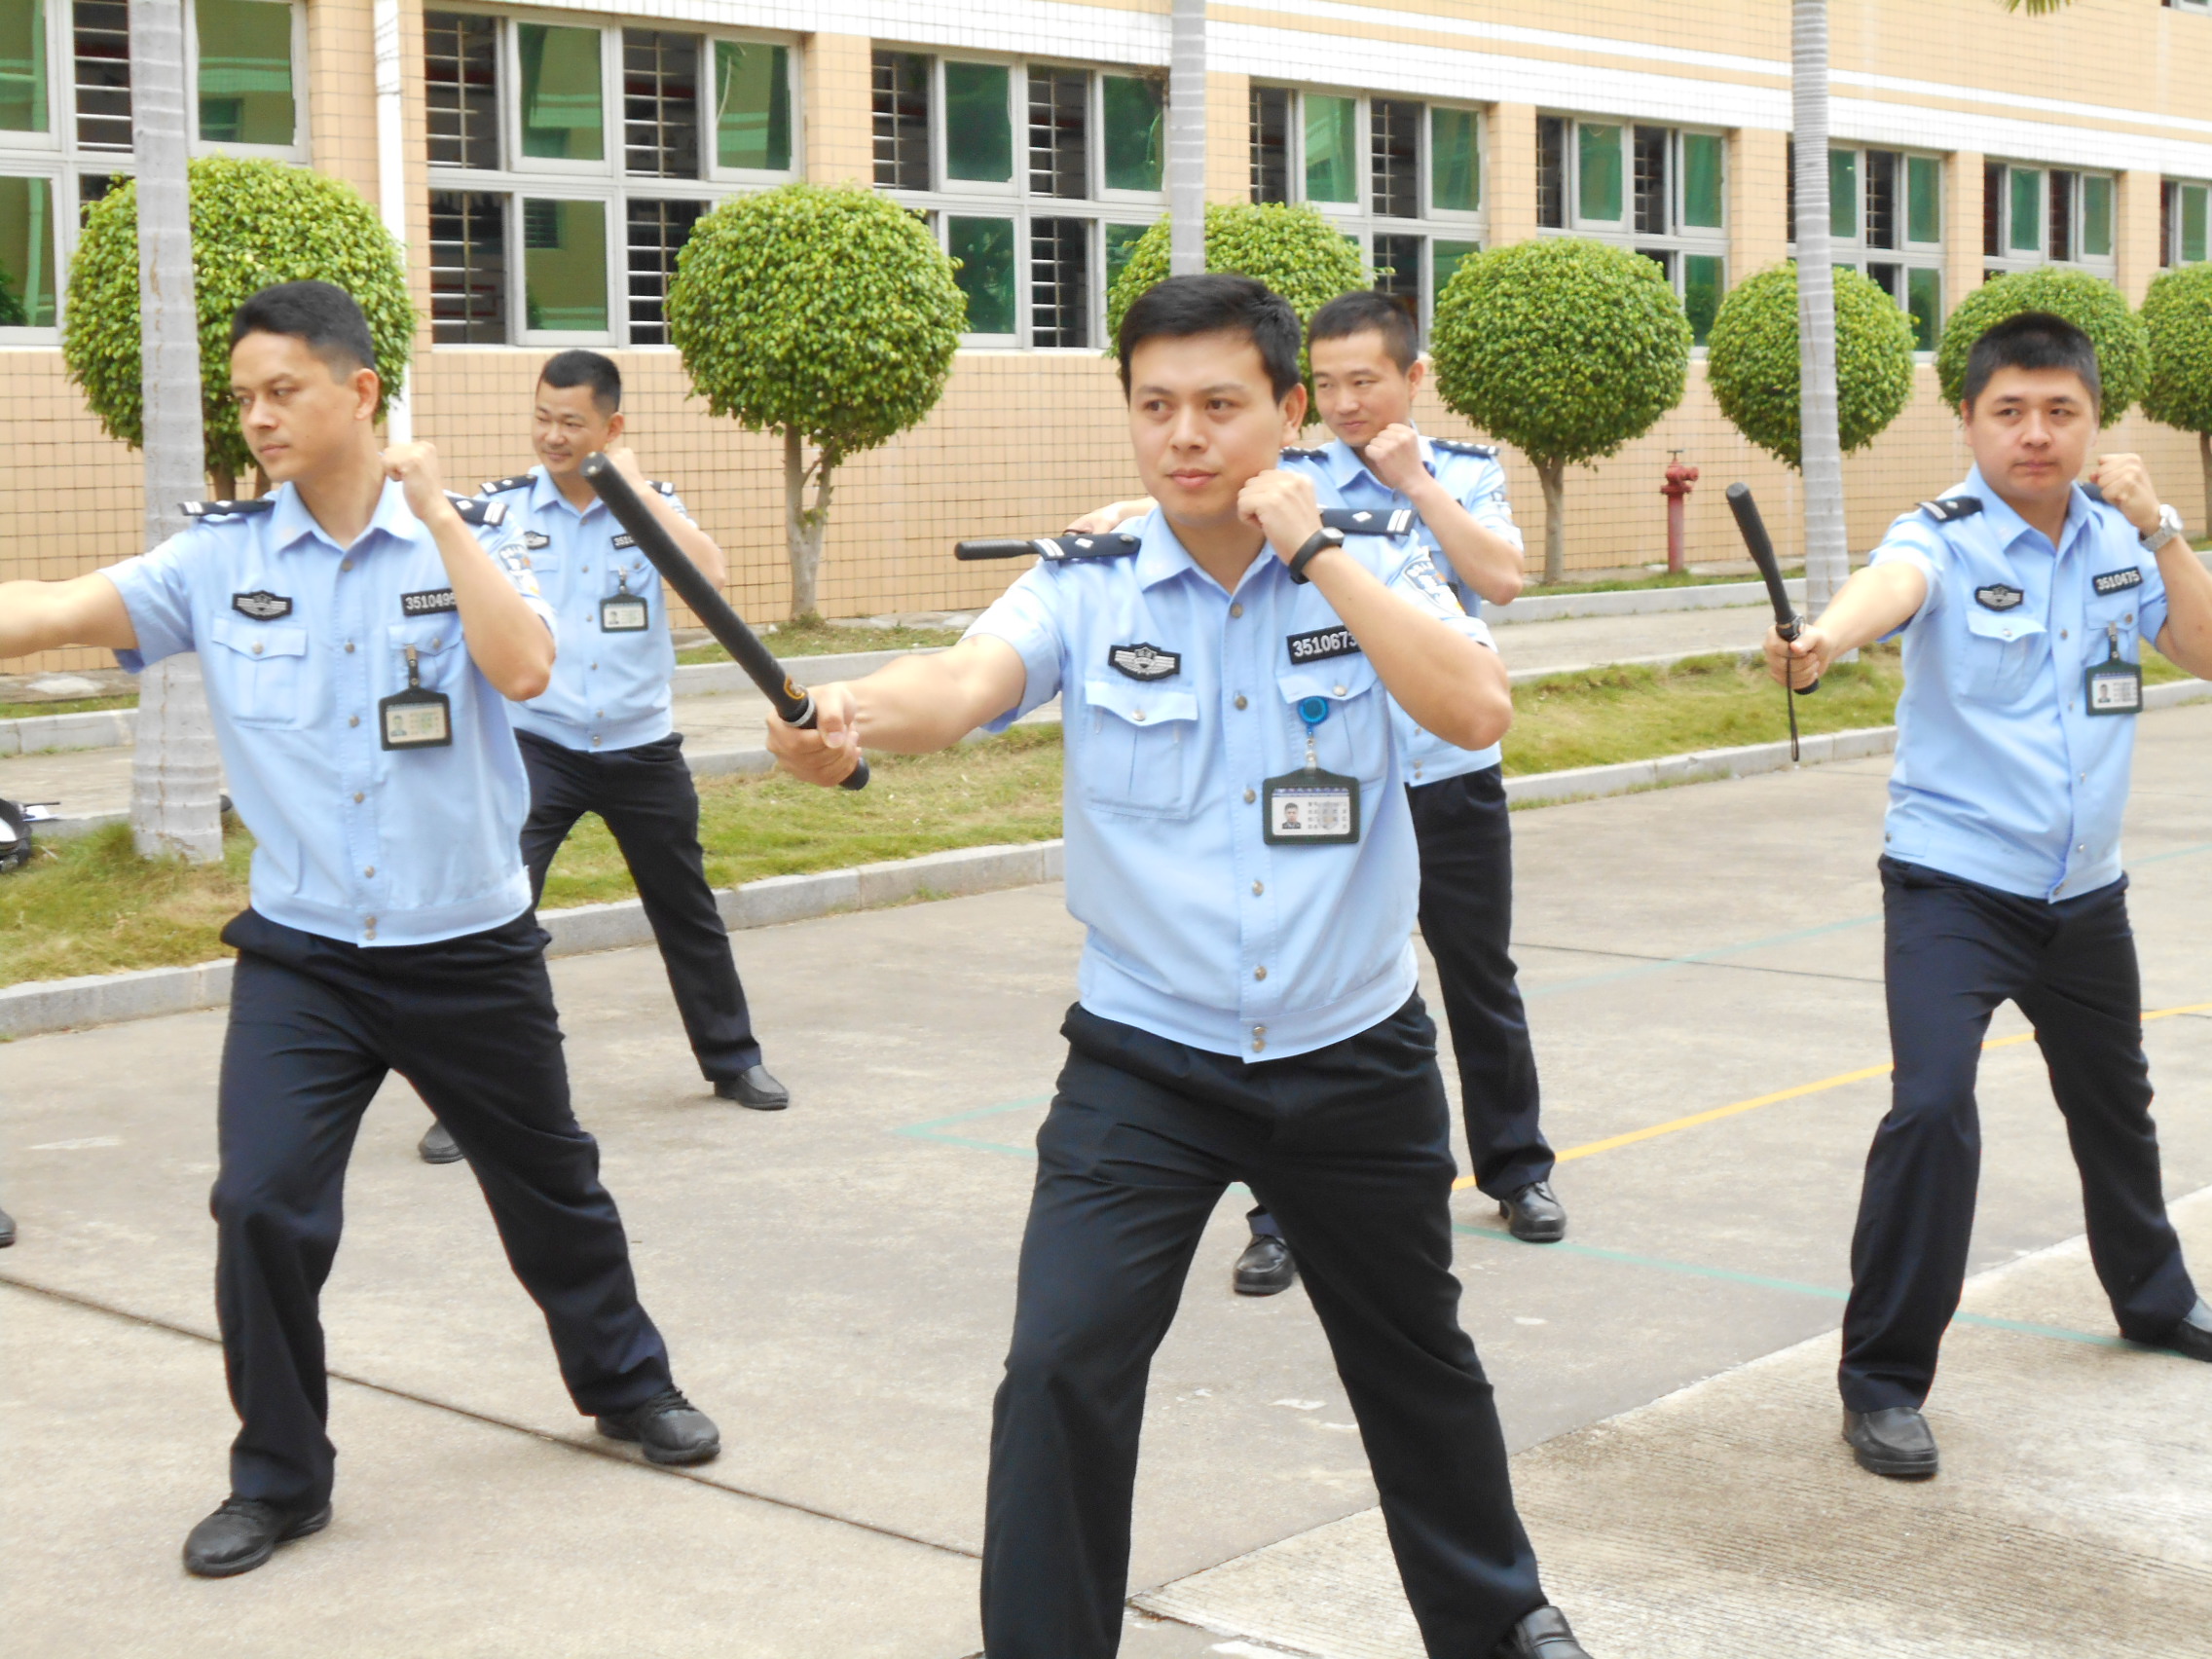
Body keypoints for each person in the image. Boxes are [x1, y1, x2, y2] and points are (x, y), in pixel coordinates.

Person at [768, 274, 1592, 1659]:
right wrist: (847, 711)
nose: (1186, 437)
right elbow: (965, 686)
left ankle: (1500, 1625)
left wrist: (1319, 550)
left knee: (1415, 1366)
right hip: (1149, 1059)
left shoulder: (1377, 552)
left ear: (1287, 410)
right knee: (1060, 1365)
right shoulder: (1092, 580)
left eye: (1222, 405)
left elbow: (1475, 703)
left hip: (1353, 1048)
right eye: (1156, 407)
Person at [0, 281, 719, 1577]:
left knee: (551, 1188)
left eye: (284, 391)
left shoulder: (476, 532)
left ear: (361, 392)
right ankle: (279, 1476)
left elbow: (525, 671)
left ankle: (623, 1380)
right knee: (261, 1204)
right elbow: (48, 612)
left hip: (468, 945)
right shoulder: (219, 560)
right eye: (245, 398)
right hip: (308, 954)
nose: (260, 417)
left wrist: (435, 511)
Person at [1763, 311, 2212, 1481]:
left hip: (2085, 895)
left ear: (2094, 423)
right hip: (1954, 886)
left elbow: (2205, 648)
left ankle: (2153, 1299)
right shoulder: (1944, 536)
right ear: (1967, 420)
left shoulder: (2123, 542)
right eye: (2008, 410)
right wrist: (1821, 639)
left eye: (2059, 411)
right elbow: (1887, 588)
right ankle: (1881, 1383)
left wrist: (2163, 529)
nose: (2034, 434)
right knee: (1931, 1109)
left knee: (2115, 1105)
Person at [1074, 289, 1563, 1300]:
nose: (1345, 403)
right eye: (1328, 384)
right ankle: (1279, 1214)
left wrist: (1413, 485)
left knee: (1478, 975)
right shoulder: (1271, 464)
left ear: (1412, 378)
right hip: (1319, 768)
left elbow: (1501, 579)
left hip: (1444, 769)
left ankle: (1517, 1168)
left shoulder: (1465, 470)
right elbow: (1190, 507)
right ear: (1299, 398)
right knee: (1286, 973)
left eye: (1366, 382)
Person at [415, 350, 786, 1166]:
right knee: (497, 916)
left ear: (612, 429)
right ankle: (467, 1099)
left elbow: (712, 580)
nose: (552, 435)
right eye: (542, 416)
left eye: (572, 422)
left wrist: (636, 485)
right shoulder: (505, 511)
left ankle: (733, 1061)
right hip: (536, 743)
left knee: (686, 911)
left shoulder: (650, 507)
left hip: (640, 747)